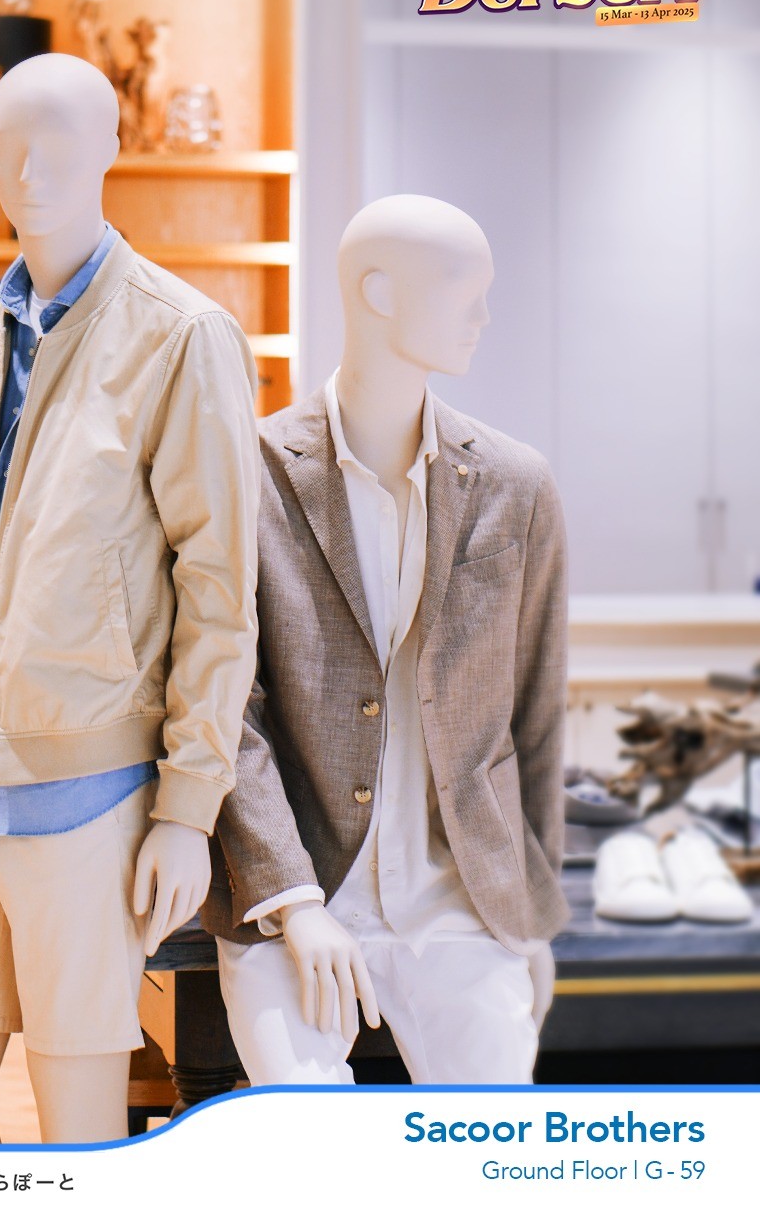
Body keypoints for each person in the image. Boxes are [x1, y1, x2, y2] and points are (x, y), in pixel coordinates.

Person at [0, 53, 259, 1141]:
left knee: (79, 1120)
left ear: (112, 149)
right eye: (8, 144)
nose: (30, 170)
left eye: (59, 144)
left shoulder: (181, 335)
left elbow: (221, 592)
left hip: (85, 798)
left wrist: (187, 808)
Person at [202, 194, 568, 1085]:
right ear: (377, 291)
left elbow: (536, 717)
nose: (484, 316)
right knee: (310, 1134)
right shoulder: (248, 472)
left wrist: (530, 917)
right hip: (301, 894)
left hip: (462, 902)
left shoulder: (516, 485)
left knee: (496, 1145)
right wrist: (291, 900)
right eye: (462, 289)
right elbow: (225, 707)